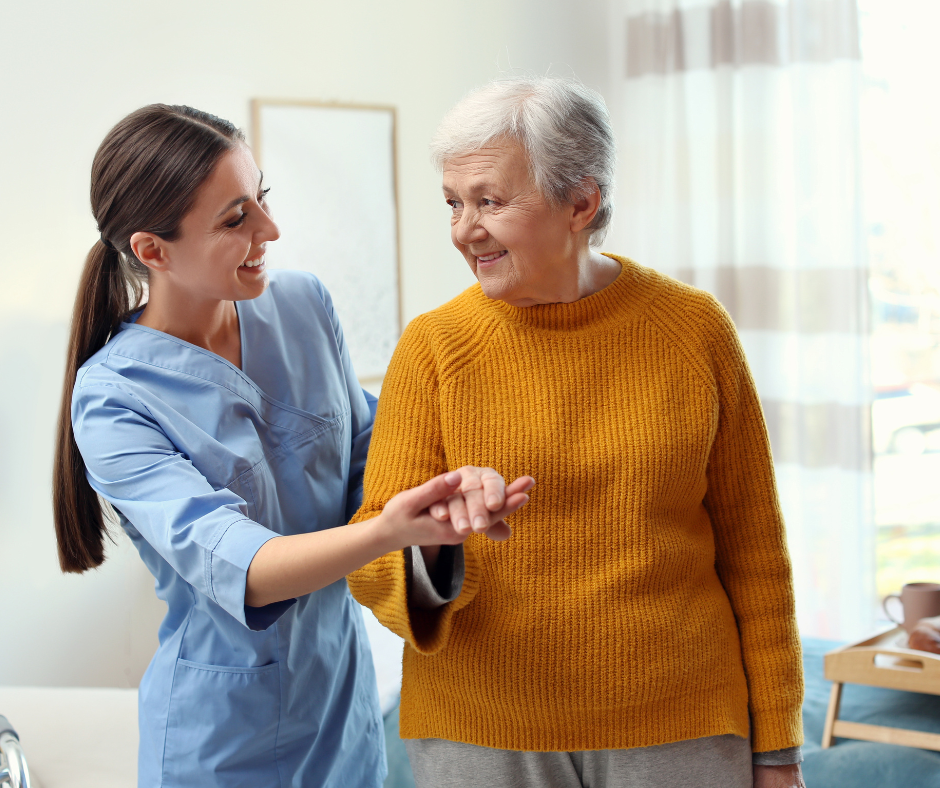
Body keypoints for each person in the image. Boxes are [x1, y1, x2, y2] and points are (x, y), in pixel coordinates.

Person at [52, 104, 531, 788]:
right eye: (234, 218)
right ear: (152, 251)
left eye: (262, 198)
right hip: (222, 743)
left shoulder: (303, 306)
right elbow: (240, 565)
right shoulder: (114, 398)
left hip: (343, 711)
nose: (270, 230)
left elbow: (375, 457)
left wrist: (444, 498)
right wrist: (388, 530)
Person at [348, 77, 806, 788]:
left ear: (581, 204)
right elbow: (372, 558)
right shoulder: (433, 347)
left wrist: (778, 749)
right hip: (482, 735)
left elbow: (756, 552)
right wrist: (439, 536)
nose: (464, 229)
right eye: (453, 203)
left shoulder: (694, 330)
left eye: (490, 201)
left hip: (680, 726)